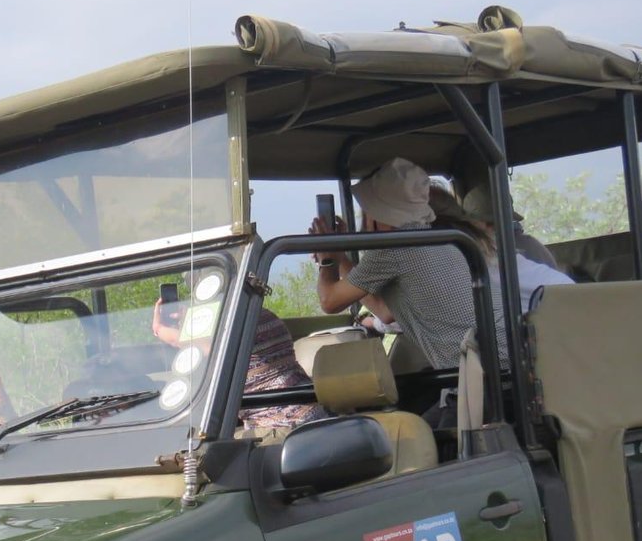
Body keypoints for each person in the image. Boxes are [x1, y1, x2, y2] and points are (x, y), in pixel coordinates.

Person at [310, 157, 506, 371]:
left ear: (376, 215)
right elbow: (384, 311)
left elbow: (329, 302)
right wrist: (341, 259)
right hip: (506, 361)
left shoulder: (396, 247)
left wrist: (326, 259)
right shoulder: (442, 239)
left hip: (481, 377)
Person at [153, 296, 325, 430]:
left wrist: (159, 329)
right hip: (315, 415)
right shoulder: (263, 315)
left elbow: (194, 344)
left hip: (279, 426)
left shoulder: (231, 324)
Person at [460, 185, 573, 312]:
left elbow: (564, 293)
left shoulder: (526, 247)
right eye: (491, 223)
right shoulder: (468, 257)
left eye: (501, 221)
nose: (495, 228)